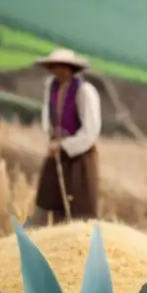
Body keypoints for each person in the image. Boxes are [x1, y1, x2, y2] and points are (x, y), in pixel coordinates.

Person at [26, 48, 102, 227]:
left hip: (78, 156)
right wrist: (52, 138)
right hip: (56, 150)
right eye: (55, 67)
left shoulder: (84, 91)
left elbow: (90, 131)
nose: (59, 71)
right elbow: (48, 116)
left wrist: (66, 145)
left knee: (78, 204)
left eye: (63, 67)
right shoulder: (51, 87)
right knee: (49, 197)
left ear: (71, 69)